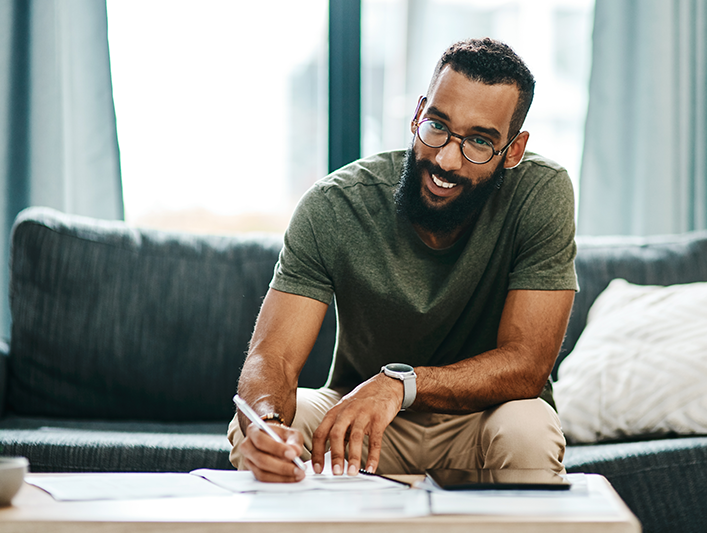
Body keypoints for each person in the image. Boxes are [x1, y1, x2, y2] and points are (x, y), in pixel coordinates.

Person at [228, 37, 577, 482]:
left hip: (483, 422)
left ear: (513, 149)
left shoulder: (541, 194)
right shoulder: (335, 204)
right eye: (437, 126)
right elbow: (272, 355)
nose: (446, 158)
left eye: (478, 142)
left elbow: (526, 365)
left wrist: (400, 384)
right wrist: (267, 424)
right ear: (417, 114)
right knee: (254, 435)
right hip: (360, 420)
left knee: (529, 429)